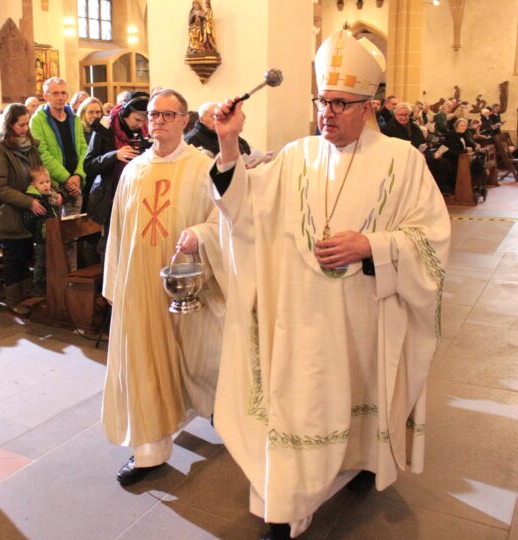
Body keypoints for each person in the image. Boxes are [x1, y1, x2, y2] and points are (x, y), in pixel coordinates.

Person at [202, 30, 450, 539]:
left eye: (340, 103)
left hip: (364, 315)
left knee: (357, 402)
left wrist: (372, 247)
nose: (327, 113)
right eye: (322, 101)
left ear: (370, 106)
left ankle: (356, 461)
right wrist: (227, 140)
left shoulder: (405, 162)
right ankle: (288, 505)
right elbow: (243, 209)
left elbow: (432, 241)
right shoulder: (298, 156)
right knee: (299, 406)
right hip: (301, 319)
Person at [102, 88, 224, 487]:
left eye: (168, 115)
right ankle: (151, 449)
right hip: (140, 285)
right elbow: (118, 229)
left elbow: (222, 220)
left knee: (193, 355)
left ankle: (209, 411)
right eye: (153, 114)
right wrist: (115, 282)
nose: (158, 121)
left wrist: (200, 233)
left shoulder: (202, 166)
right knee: (144, 361)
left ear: (185, 120)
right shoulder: (134, 169)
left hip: (188, 283)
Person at [0, 103, 45, 316]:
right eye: (21, 125)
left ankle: (26, 294)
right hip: (11, 214)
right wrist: (28, 201)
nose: (25, 128)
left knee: (26, 255)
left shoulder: (30, 147)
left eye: (27, 123)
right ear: (9, 125)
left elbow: (40, 174)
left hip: (30, 215)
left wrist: (51, 191)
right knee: (14, 258)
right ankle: (13, 300)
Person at [30, 77, 87, 271]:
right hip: (52, 185)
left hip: (75, 183)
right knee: (55, 236)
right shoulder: (38, 120)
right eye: (55, 93)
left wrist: (78, 175)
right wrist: (66, 178)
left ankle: (71, 274)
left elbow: (83, 148)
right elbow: (42, 153)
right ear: (46, 96)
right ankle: (57, 277)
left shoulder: (74, 118)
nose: (61, 97)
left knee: (73, 234)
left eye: (63, 93)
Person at [84, 92, 149, 255]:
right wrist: (115, 155)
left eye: (144, 121)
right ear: (125, 113)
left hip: (136, 197)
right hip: (110, 197)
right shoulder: (104, 128)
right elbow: (89, 165)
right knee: (111, 249)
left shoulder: (143, 131)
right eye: (137, 120)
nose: (141, 125)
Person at [23, 165, 62, 294]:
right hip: (41, 237)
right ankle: (38, 286)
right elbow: (29, 220)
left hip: (52, 234)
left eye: (48, 182)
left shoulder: (49, 196)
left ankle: (50, 285)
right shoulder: (34, 199)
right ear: (33, 184)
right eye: (41, 183)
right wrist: (39, 230)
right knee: (41, 262)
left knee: (51, 261)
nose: (46, 185)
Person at [185, 101, 251, 156]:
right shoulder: (192, 138)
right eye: (213, 116)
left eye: (219, 116)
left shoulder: (221, 133)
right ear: (202, 118)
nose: (217, 120)